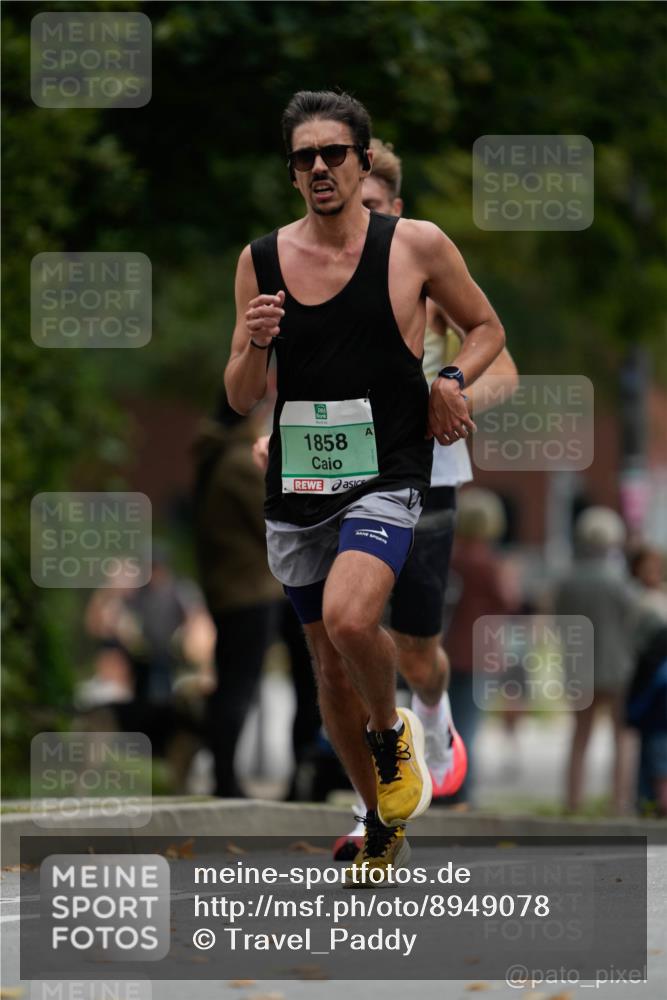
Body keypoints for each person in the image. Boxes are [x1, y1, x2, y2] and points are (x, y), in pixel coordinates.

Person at [224, 90, 505, 880]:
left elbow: (487, 329)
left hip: (389, 471)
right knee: (323, 669)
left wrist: (451, 379)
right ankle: (380, 817)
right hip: (297, 482)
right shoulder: (261, 260)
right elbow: (243, 391)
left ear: (361, 156)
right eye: (303, 158)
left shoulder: (415, 246)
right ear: (291, 172)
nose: (318, 168)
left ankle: (393, 741)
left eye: (332, 154)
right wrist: (252, 344)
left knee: (353, 623)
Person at [330, 139, 518, 857]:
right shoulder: (313, 271)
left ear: (394, 209)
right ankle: (370, 809)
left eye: (372, 207)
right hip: (343, 480)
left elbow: (500, 364)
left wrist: (453, 393)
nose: (359, 219)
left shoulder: (422, 272)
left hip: (428, 478)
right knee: (346, 638)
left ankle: (433, 715)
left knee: (414, 652)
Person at [193, 393, 320, 798]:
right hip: (251, 591)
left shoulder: (214, 458)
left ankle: (227, 776)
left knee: (234, 683)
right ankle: (229, 780)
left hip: (229, 589)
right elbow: (273, 519)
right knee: (240, 686)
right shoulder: (239, 464)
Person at [554, 506, 638, 815]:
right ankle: (620, 802)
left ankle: (573, 802)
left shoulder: (568, 580)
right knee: (623, 736)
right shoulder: (619, 582)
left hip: (580, 667)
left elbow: (557, 622)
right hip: (617, 667)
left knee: (580, 736)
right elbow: (634, 620)